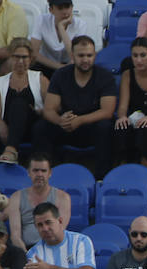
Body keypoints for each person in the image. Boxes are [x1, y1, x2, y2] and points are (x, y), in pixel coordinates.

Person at [32, 36, 117, 179]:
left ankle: (102, 178)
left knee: (106, 127)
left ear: (95, 55)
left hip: (91, 126)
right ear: (72, 56)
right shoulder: (60, 75)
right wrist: (60, 120)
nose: (85, 60)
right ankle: (46, 174)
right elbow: (49, 109)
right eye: (81, 55)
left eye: (89, 55)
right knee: (41, 127)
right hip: (66, 126)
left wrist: (81, 120)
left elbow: (107, 111)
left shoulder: (105, 76)